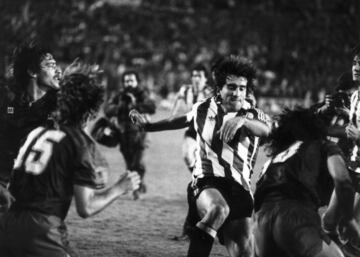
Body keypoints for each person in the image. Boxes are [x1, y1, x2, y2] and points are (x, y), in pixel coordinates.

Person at [130, 55, 271, 257]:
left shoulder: (254, 115)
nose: (237, 93)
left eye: (242, 88)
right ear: (220, 88)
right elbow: (181, 120)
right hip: (207, 180)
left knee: (244, 252)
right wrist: (148, 126)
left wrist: (243, 122)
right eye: (231, 87)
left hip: (240, 188)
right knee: (218, 209)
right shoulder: (203, 108)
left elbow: (266, 131)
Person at [0, 63, 141, 257]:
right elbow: (86, 208)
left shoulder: (37, 132)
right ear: (92, 108)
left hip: (8, 225)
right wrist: (120, 187)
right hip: (42, 232)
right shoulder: (80, 143)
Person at [253, 107, 360, 257]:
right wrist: (349, 219)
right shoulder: (322, 145)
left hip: (261, 222)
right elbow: (343, 181)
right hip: (295, 216)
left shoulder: (276, 156)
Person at [0, 41, 61, 212]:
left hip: (39, 184)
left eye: (56, 65)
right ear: (32, 71)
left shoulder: (60, 105)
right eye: (50, 65)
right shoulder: (8, 99)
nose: (57, 70)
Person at [104, 70, 156, 197]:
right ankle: (137, 185)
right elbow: (107, 109)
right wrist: (120, 107)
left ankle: (137, 187)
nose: (129, 83)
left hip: (140, 133)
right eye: (126, 81)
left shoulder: (142, 93)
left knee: (138, 163)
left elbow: (152, 107)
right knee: (129, 164)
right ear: (123, 82)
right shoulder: (120, 95)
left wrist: (135, 105)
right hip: (123, 133)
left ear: (137, 82)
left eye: (132, 80)